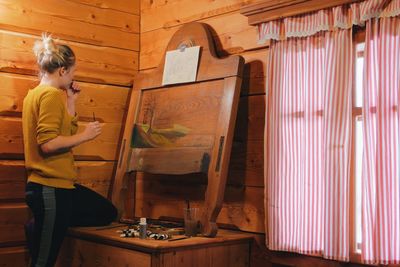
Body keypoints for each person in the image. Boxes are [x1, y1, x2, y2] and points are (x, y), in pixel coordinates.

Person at [22, 34, 117, 267]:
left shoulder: (36, 94)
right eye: (73, 72)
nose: (73, 77)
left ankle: (44, 222)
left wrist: (71, 101)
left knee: (105, 211)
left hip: (60, 186)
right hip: (50, 188)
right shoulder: (51, 95)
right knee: (43, 262)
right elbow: (48, 144)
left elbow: (60, 128)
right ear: (62, 71)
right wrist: (84, 136)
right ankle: (44, 221)